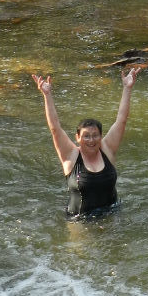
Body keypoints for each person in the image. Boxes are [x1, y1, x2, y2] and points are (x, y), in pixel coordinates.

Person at [32, 69, 139, 217]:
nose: (91, 140)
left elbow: (121, 120)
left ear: (101, 137)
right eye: (86, 136)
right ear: (77, 137)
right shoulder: (71, 156)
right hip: (80, 220)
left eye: (95, 136)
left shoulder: (107, 149)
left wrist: (127, 88)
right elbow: (55, 128)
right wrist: (47, 95)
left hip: (111, 214)